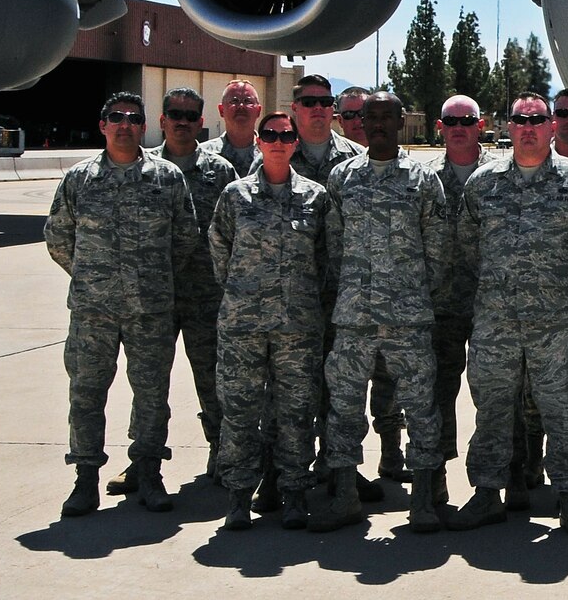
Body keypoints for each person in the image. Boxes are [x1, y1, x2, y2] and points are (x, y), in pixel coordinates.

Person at [449, 93, 568, 536]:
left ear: (551, 126)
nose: (528, 128)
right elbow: (468, 251)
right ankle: (486, 493)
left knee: (563, 411)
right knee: (492, 410)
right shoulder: (482, 185)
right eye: (520, 120)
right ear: (508, 126)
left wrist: (567, 291)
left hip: (557, 325)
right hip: (496, 322)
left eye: (538, 120)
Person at [46, 93, 199, 518]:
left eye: (134, 118)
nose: (125, 125)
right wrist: (92, 276)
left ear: (144, 127)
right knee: (86, 394)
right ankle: (85, 480)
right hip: (94, 311)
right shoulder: (80, 179)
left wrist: (152, 279)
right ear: (103, 125)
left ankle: (148, 472)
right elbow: (58, 237)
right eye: (116, 118)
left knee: (152, 394)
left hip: (150, 310)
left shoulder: (166, 177)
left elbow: (185, 237)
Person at [311, 93, 451, 534]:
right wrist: (347, 293)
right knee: (344, 408)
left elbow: (439, 250)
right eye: (369, 117)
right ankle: (345, 496)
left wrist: (418, 297)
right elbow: (333, 245)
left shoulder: (423, 178)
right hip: (353, 316)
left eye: (386, 117)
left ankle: (425, 499)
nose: (376, 124)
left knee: (421, 409)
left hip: (409, 317)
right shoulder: (342, 177)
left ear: (400, 122)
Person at [208, 108, 329, 531]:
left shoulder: (315, 197)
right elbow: (220, 252)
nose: (278, 140)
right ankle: (239, 495)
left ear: (296, 143)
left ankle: (294, 491)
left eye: (286, 134)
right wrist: (245, 296)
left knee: (296, 414)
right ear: (258, 141)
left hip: (298, 328)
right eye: (270, 134)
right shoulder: (235, 196)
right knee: (240, 413)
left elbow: (324, 259)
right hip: (243, 327)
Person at [291, 72, 395, 487]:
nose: (318, 108)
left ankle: (343, 468)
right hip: (294, 294)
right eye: (309, 101)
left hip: (348, 296)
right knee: (301, 385)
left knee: (346, 387)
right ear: (295, 107)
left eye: (324, 102)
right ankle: (302, 467)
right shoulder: (275, 151)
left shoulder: (353, 159)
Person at [152, 87, 238, 480]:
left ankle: (222, 451)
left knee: (213, 379)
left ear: (202, 122)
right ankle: (145, 458)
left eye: (190, 114)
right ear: (162, 120)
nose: (182, 120)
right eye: (175, 113)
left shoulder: (220, 172)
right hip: (155, 297)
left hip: (208, 297)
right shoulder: (145, 168)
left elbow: (238, 230)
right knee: (149, 383)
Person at [425, 94, 485, 503]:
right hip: (440, 305)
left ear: (481, 125)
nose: (459, 127)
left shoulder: (501, 174)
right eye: (451, 120)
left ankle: (501, 475)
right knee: (437, 393)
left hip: (490, 307)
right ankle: (437, 476)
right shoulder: (424, 178)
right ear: (439, 127)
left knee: (497, 394)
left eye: (467, 120)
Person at [203, 79, 262, 176]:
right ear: (221, 110)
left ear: (259, 110)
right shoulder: (203, 154)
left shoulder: (273, 154)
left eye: (248, 101)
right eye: (234, 101)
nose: (241, 106)